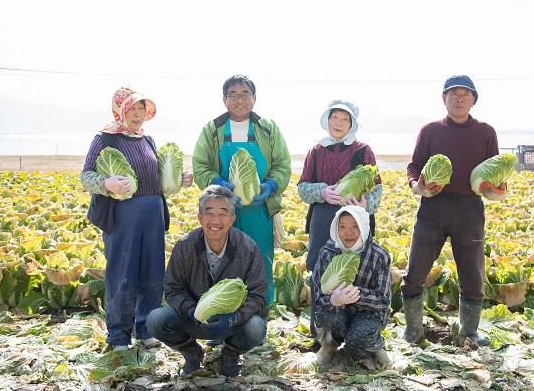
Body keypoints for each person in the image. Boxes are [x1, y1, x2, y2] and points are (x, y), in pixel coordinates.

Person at [81, 87, 194, 352]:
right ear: (119, 110)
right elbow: (85, 176)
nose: (137, 114)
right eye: (131, 109)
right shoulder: (105, 139)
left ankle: (147, 329)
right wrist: (105, 182)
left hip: (153, 215)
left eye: (141, 109)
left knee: (153, 274)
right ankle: (119, 335)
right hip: (123, 218)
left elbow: (156, 180)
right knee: (123, 274)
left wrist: (180, 180)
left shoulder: (147, 140)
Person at [401, 75, 507, 347]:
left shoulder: (486, 132)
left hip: (470, 209)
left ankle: (469, 333)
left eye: (466, 94)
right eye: (453, 93)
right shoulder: (430, 130)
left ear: (473, 100)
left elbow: (495, 172)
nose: (460, 98)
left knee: (472, 276)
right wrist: (417, 186)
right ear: (444, 98)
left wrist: (497, 191)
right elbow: (414, 166)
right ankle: (412, 332)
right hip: (433, 206)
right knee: (415, 273)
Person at [145, 185, 268, 377]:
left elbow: (258, 295)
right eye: (209, 213)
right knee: (156, 319)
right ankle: (192, 353)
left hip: (231, 323)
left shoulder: (247, 248)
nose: (216, 221)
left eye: (223, 213)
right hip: (193, 320)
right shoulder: (186, 245)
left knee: (256, 327)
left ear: (232, 219)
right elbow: (172, 289)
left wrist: (234, 317)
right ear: (199, 217)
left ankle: (230, 355)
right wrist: (192, 311)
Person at [192, 74, 291, 309]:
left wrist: (271, 186)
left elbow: (282, 165)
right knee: (220, 260)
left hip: (260, 209)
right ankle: (221, 311)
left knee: (261, 261)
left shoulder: (267, 128)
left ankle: (260, 312)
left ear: (254, 98)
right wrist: (217, 182)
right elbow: (200, 165)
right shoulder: (213, 129)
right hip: (222, 210)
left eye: (245, 94)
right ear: (224, 99)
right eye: (233, 95)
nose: (239, 100)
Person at [297, 99, 382, 336]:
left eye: (345, 119)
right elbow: (303, 187)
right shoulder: (316, 151)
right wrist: (322, 191)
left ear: (352, 123)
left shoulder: (363, 151)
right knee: (319, 270)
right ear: (327, 120)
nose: (339, 123)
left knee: (357, 270)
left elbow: (377, 189)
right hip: (323, 217)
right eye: (335, 117)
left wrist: (366, 203)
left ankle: (356, 329)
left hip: (356, 216)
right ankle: (321, 332)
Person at [311, 205, 392, 366]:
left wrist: (356, 295)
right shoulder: (327, 252)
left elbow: (384, 301)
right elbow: (318, 294)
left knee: (359, 341)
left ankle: (377, 346)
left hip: (369, 315)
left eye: (355, 226)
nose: (349, 232)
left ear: (364, 227)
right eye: (343, 227)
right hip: (337, 311)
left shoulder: (380, 255)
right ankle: (328, 347)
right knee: (325, 316)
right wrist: (333, 300)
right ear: (335, 227)